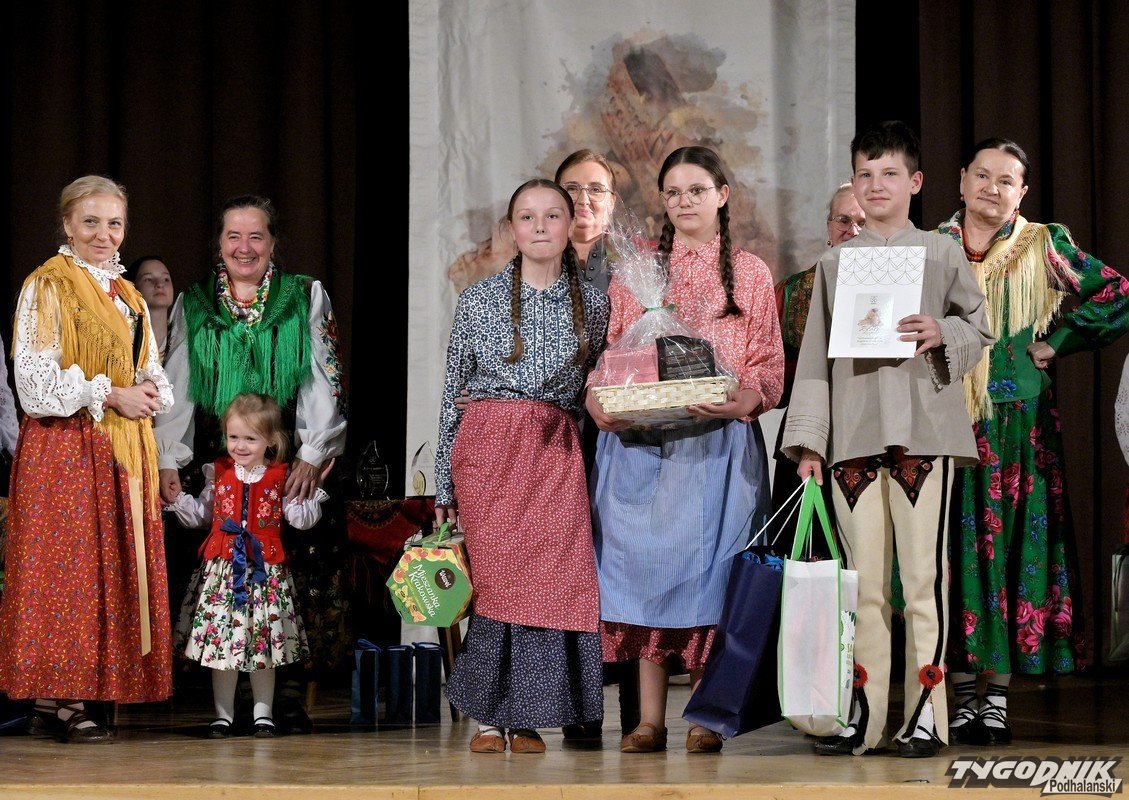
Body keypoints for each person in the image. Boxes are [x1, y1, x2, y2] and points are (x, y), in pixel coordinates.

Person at [781, 121, 994, 759]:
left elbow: (981, 327)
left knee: (924, 581)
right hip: (853, 436)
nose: (876, 186)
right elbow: (813, 360)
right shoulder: (833, 263)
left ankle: (927, 715)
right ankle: (866, 716)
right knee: (864, 584)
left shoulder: (941, 253)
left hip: (923, 431)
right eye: (865, 175)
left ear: (916, 182)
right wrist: (810, 444)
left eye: (890, 174)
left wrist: (942, 331)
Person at [585, 145, 784, 754]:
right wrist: (598, 397)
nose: (684, 201)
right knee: (645, 574)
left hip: (718, 449)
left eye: (697, 190)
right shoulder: (639, 271)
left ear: (722, 195)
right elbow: (614, 354)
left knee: (712, 577)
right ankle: (648, 720)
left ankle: (705, 715)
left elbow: (768, 365)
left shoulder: (749, 272)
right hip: (644, 447)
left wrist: (745, 398)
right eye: (673, 193)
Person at [938, 138, 1129, 745]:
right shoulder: (931, 246)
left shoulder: (1043, 245)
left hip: (1019, 429)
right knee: (951, 553)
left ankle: (995, 697)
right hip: (943, 421)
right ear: (962, 180)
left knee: (1010, 549)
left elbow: (1117, 291)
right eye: (982, 175)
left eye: (1007, 180)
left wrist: (1057, 342)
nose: (992, 188)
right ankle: (958, 695)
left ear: (1022, 192)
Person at [154, 195, 347, 734]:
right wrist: (169, 457)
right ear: (219, 244)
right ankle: (225, 693)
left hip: (286, 452)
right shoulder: (195, 303)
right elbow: (176, 384)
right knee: (220, 577)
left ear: (273, 244)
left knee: (294, 568)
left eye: (256, 236)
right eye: (233, 236)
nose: (244, 247)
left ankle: (284, 692)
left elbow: (323, 377)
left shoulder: (303, 295)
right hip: (220, 455)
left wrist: (312, 451)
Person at [435, 178, 610, 754]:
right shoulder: (478, 300)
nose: (539, 227)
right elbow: (452, 395)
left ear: (570, 225)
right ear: (511, 229)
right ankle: (490, 719)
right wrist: (444, 484)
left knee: (549, 580)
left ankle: (528, 716)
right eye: (527, 217)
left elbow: (598, 386)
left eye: (552, 215)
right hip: (488, 451)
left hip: (555, 450)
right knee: (497, 581)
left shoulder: (595, 303)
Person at [0, 174, 174, 743]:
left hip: (120, 449)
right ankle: (63, 700)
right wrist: (111, 393)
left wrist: (148, 390)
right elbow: (34, 385)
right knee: (68, 570)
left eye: (114, 223)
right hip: (66, 448)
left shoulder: (126, 294)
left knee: (106, 570)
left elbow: (149, 365)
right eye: (91, 222)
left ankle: (66, 695)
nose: (104, 234)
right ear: (68, 225)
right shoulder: (48, 286)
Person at [166, 393, 331, 738]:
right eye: (233, 436)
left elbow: (299, 519)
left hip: (263, 573)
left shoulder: (280, 476)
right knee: (221, 649)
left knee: (262, 646)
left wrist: (312, 494)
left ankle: (263, 715)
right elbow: (203, 513)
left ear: (271, 440)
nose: (239, 446)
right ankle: (223, 716)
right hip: (223, 573)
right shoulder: (219, 472)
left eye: (250, 438)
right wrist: (178, 501)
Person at [768, 183, 865, 541]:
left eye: (864, 222)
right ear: (828, 227)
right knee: (804, 555)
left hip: (871, 438)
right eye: (843, 220)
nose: (853, 231)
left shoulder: (899, 287)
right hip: (806, 436)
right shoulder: (793, 290)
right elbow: (775, 380)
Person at [125, 256, 175, 363]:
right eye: (148, 279)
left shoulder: (183, 339)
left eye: (166, 279)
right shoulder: (124, 340)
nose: (160, 284)